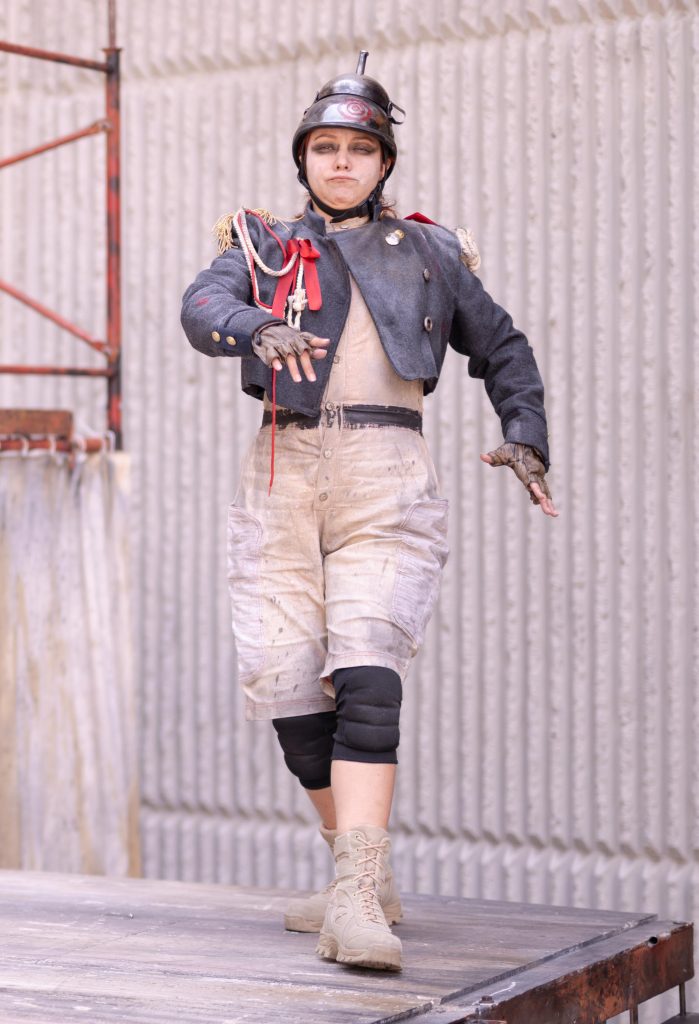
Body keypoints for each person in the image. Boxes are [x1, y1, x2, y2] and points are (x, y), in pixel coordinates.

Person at [180, 52, 557, 973]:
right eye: (325, 148)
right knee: (285, 685)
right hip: (280, 469)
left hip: (386, 472)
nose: (340, 162)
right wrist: (256, 324)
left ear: (383, 162)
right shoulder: (259, 246)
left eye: (358, 149)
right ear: (303, 159)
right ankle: (360, 876)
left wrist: (525, 433)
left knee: (367, 669)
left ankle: (355, 895)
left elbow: (502, 347)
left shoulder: (430, 252)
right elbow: (201, 306)